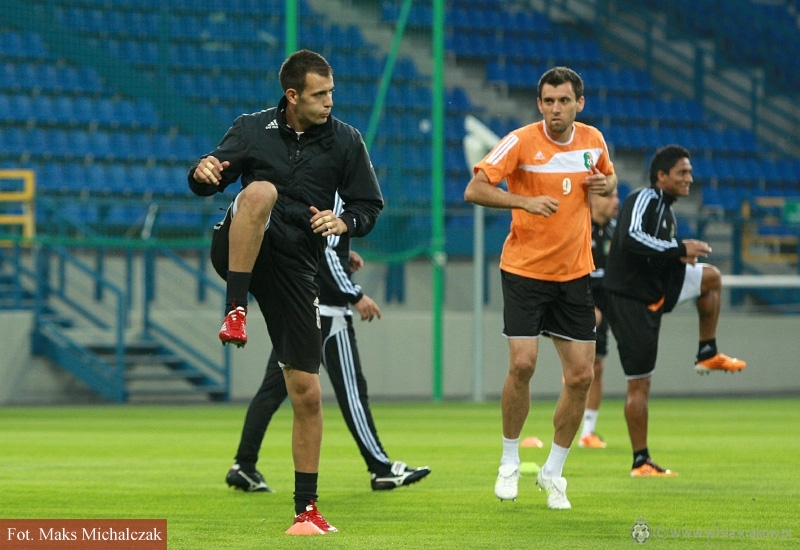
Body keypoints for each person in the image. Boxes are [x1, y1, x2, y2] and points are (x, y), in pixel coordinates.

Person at [188, 50, 383, 534]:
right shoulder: (252, 128)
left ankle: (306, 510)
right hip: (239, 249)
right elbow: (210, 178)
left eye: (332, 92)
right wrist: (201, 172)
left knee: (307, 393)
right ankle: (235, 310)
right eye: (320, 94)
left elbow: (368, 205)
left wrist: (344, 221)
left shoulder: (346, 141)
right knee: (261, 192)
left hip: (296, 267)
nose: (329, 102)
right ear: (292, 96)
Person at [464, 66, 617, 510]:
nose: (555, 109)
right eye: (548, 101)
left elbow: (607, 179)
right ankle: (509, 461)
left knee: (582, 376)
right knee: (523, 364)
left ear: (579, 104)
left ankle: (553, 471)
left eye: (564, 101)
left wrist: (606, 183)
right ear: (539, 104)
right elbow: (474, 189)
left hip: (573, 273)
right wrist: (523, 201)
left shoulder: (593, 140)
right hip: (525, 271)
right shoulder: (520, 141)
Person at [226, 197, 431, 494]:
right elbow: (328, 253)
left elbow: (316, 244)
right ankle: (381, 469)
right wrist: (354, 294)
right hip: (329, 313)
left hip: (297, 309)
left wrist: (346, 255)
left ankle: (243, 465)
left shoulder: (309, 184)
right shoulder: (333, 187)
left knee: (272, 391)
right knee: (353, 393)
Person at [603, 144, 746, 478]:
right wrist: (678, 248)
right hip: (628, 300)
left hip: (654, 292)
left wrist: (678, 256)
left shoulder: (667, 213)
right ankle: (641, 462)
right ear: (661, 176)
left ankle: (707, 352)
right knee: (639, 384)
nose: (689, 179)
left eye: (690, 172)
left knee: (711, 278)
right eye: (682, 172)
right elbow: (630, 238)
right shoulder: (644, 198)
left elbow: (657, 253)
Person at [579, 187, 620, 449]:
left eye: (615, 195)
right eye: (609, 196)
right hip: (581, 301)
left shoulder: (617, 230)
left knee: (597, 367)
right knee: (580, 367)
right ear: (592, 199)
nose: (615, 201)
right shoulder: (580, 227)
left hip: (608, 303)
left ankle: (588, 432)